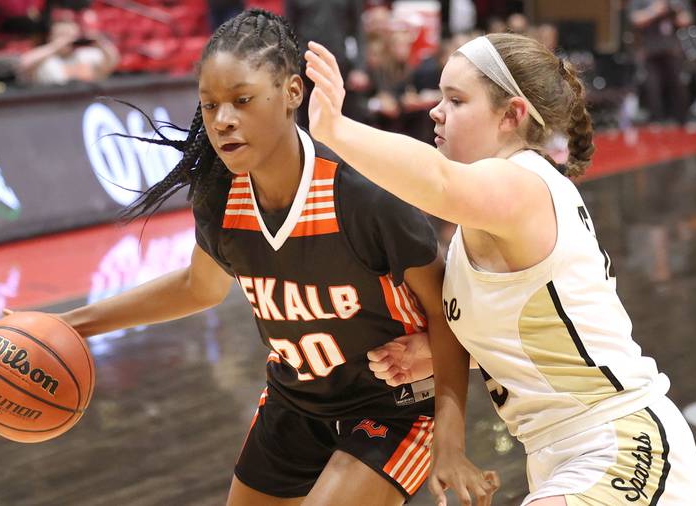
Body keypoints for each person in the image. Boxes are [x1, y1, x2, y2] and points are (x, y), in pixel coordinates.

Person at [32, 9, 497, 505]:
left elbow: (446, 316)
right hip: (294, 403)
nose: (223, 120)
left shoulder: (364, 193)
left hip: (393, 407)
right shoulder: (220, 198)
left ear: (293, 92)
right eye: (210, 106)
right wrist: (72, 325)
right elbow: (198, 286)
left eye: (242, 100)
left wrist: (451, 442)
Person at [305, 32, 696, 505]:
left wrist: (336, 129)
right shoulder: (481, 223)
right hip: (561, 452)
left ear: (512, 114)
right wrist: (438, 353)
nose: (436, 111)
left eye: (455, 99)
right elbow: (543, 331)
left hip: (621, 439)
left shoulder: (522, 182)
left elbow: (437, 180)